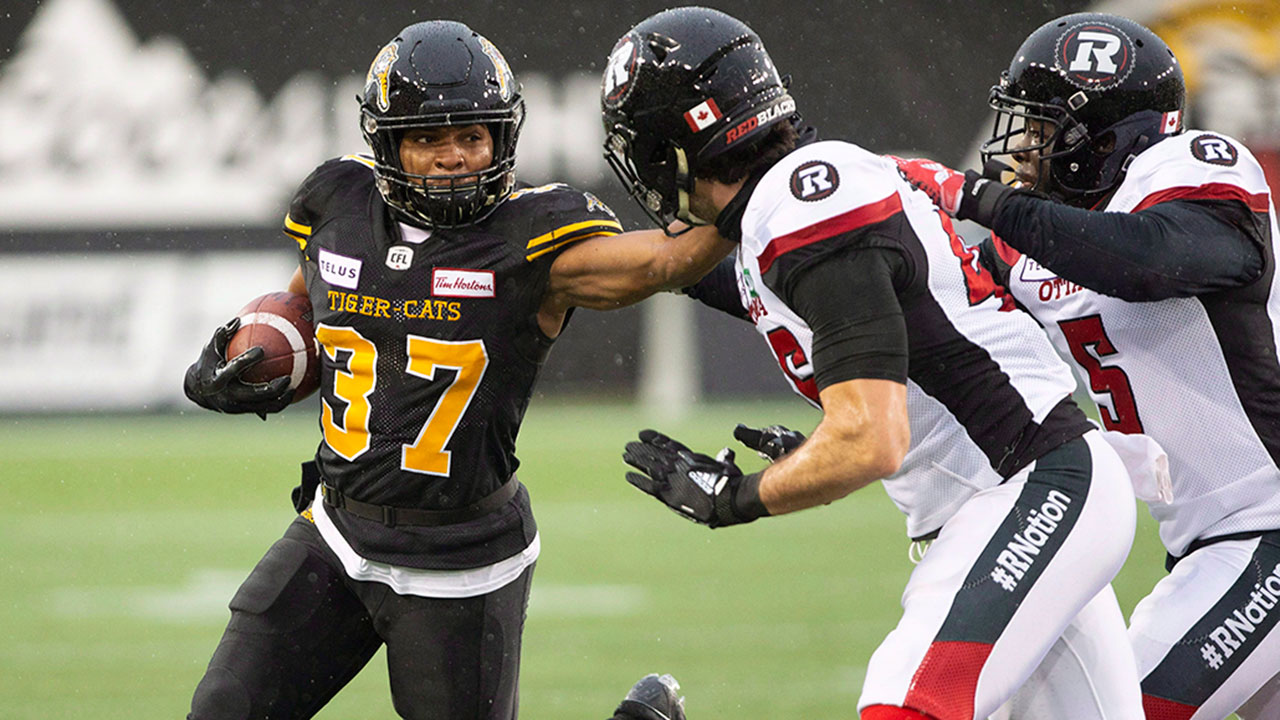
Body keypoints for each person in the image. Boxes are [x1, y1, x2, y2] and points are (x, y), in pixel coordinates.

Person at [603, 7, 1156, 720]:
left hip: (1028, 490)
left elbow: (872, 437)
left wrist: (733, 498)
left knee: (904, 708)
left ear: (668, 147)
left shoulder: (803, 204)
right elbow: (693, 279)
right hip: (1021, 499)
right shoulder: (799, 201)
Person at [180, 20, 729, 720]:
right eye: (428, 139)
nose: (453, 159)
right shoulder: (338, 208)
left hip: (459, 559)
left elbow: (659, 262)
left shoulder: (534, 239)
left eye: (472, 137)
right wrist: (238, 361)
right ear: (388, 144)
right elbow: (304, 303)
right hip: (336, 532)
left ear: (502, 139)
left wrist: (750, 201)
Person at [895, 12, 1280, 720]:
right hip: (1210, 543)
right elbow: (930, 318)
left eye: (1042, 134)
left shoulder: (1193, 172)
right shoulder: (1039, 246)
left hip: (1267, 532)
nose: (1019, 152)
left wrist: (979, 201)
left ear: (1101, 139)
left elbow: (1151, 259)